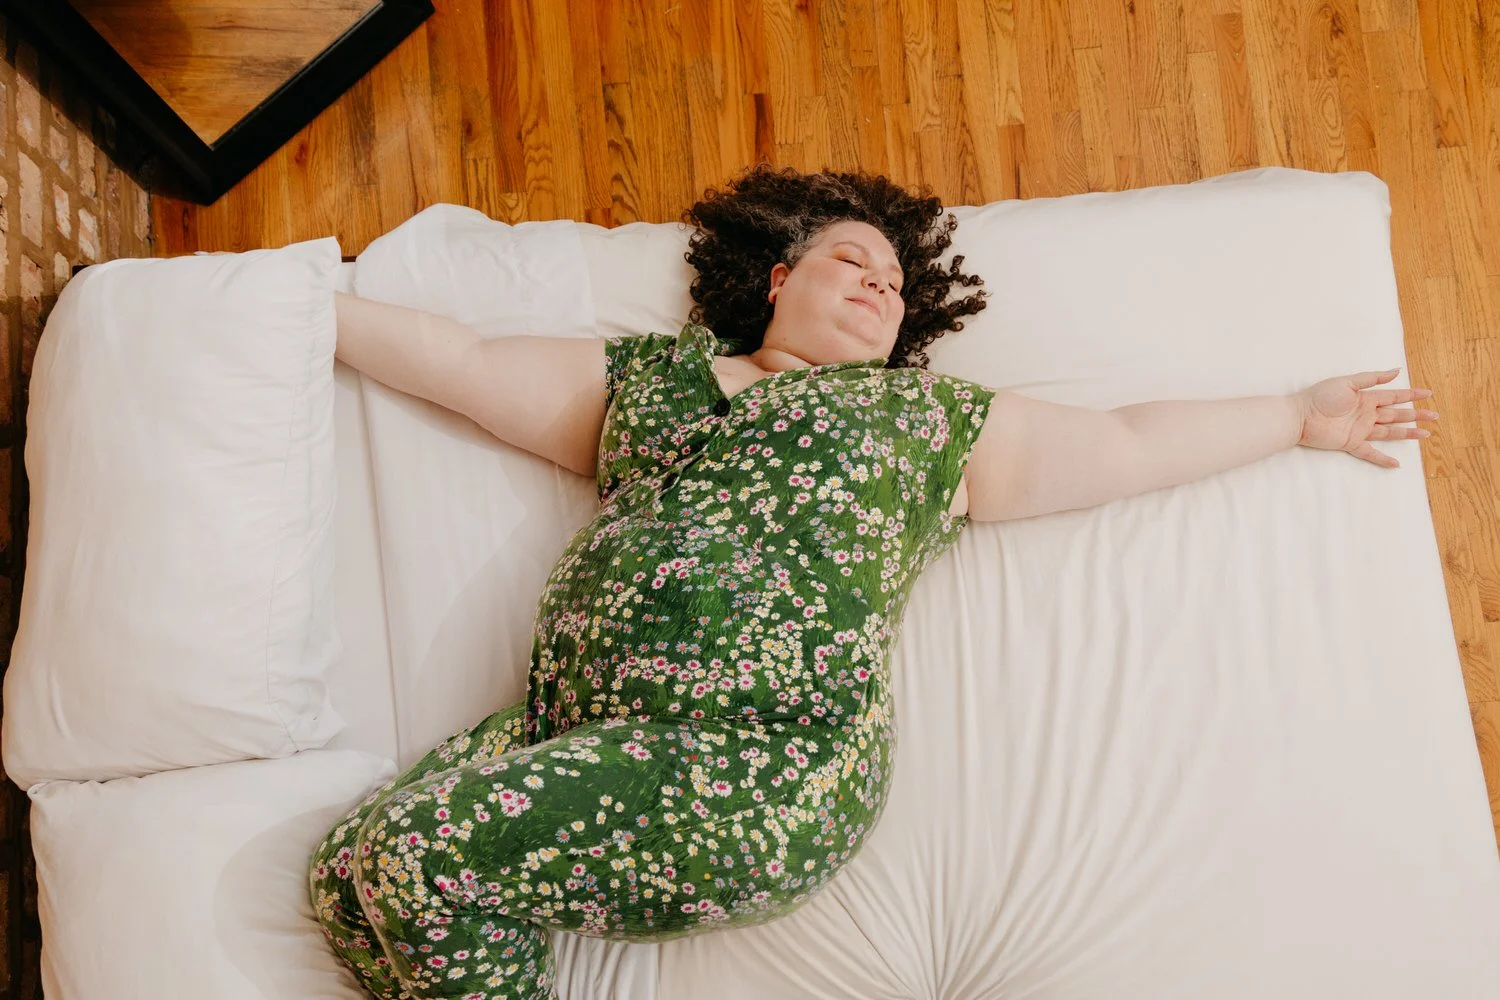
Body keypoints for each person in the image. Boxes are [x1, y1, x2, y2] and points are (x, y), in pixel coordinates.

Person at [308, 164, 1438, 1000]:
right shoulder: (654, 385)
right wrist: (300, 311)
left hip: (757, 763)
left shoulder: (916, 425)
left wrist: (1298, 418)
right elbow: (459, 363)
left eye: (897, 282)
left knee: (418, 857)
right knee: (345, 872)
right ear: (779, 276)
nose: (880, 282)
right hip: (573, 729)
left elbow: (1130, 441)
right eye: (855, 259)